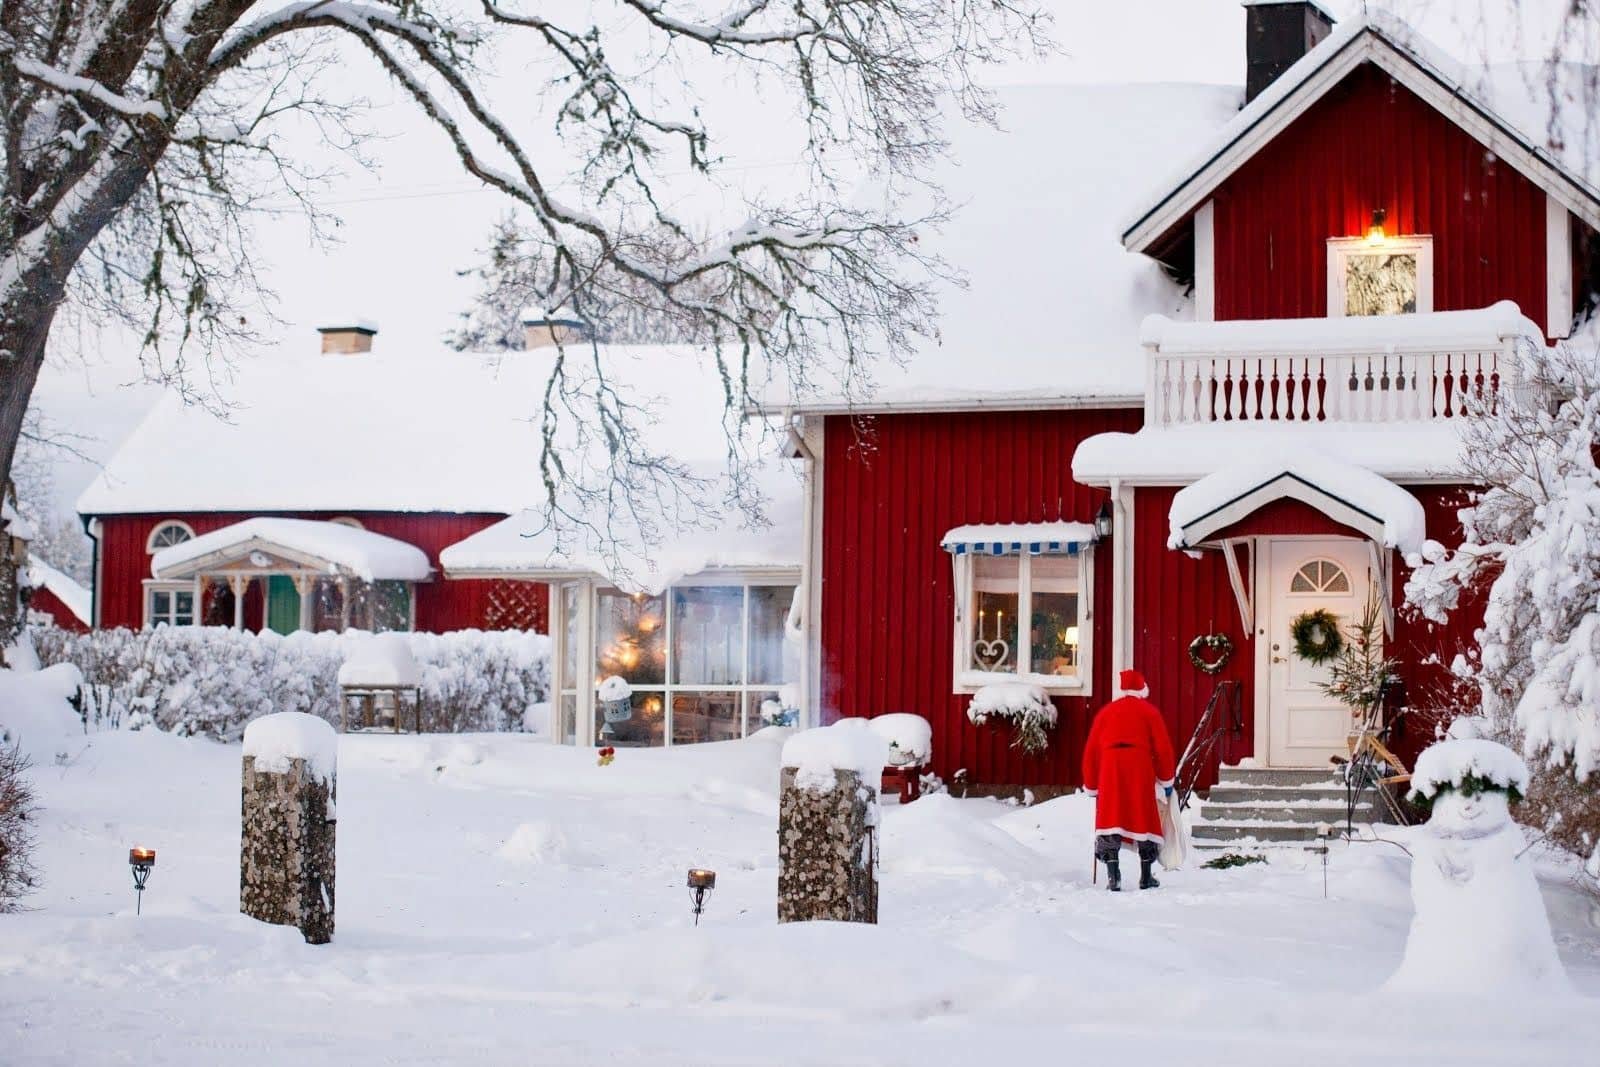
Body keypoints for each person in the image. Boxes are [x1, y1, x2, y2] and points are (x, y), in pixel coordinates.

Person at [1083, 668, 1177, 891]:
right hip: (1139, 767)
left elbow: (1092, 751)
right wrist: (1166, 779)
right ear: (1142, 690)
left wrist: (1092, 784)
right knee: (1143, 814)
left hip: (1110, 768)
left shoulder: (1106, 713)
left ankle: (1113, 876)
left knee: (1110, 816)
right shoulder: (1149, 712)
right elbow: (1163, 749)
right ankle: (1146, 875)